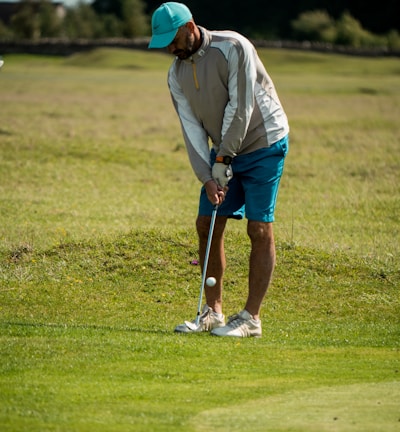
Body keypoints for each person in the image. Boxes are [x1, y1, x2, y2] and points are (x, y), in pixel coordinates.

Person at [148, 2, 289, 337]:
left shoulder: (233, 47)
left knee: (258, 228)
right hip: (225, 152)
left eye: (173, 39)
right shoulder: (175, 74)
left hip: (263, 142)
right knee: (207, 222)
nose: (170, 48)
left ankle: (251, 318)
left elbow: (241, 106)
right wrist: (208, 176)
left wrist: (224, 158)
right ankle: (213, 312)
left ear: (190, 27)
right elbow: (192, 129)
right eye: (164, 42)